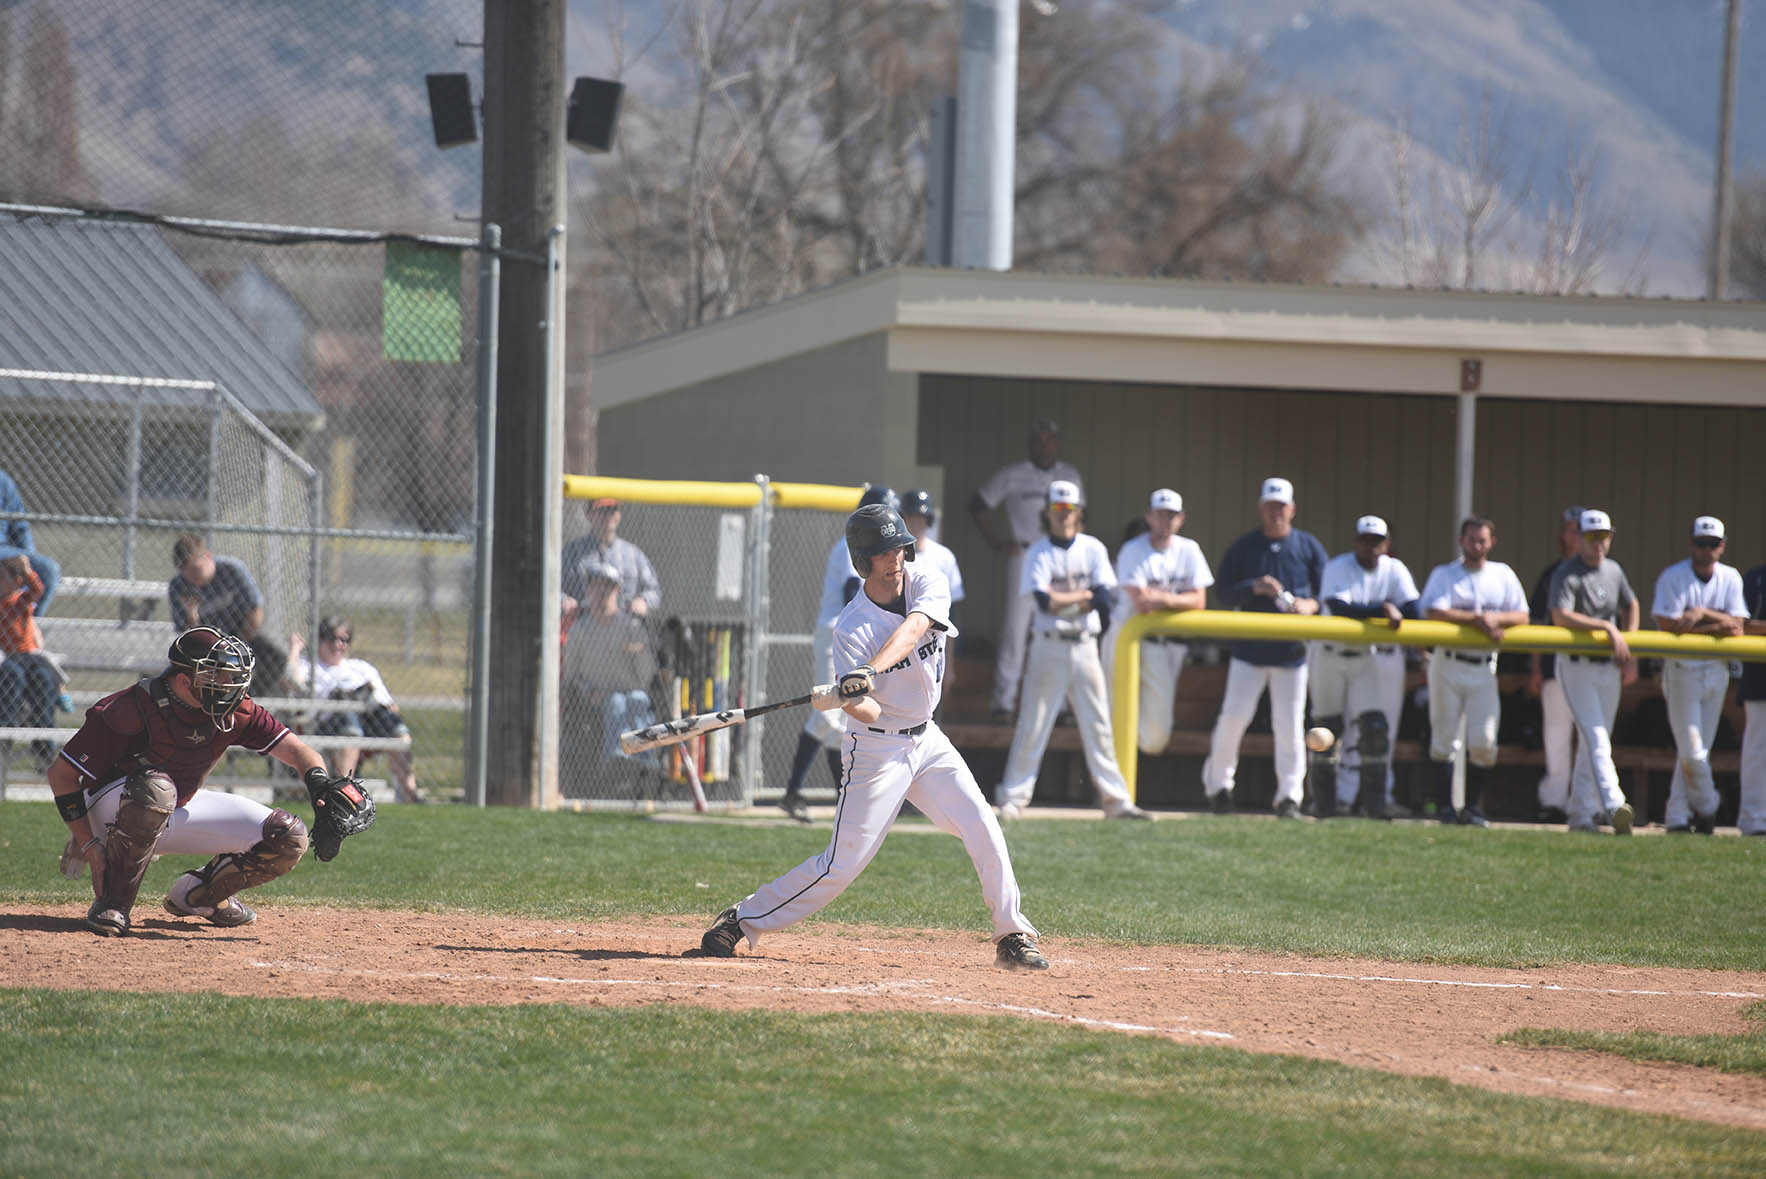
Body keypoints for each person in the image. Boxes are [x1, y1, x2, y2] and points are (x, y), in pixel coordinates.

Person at [700, 502, 1049, 971]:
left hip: (928, 740)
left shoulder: (928, 581)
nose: (896, 559)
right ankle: (742, 919)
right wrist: (846, 699)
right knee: (839, 866)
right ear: (863, 560)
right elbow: (870, 710)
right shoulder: (851, 626)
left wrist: (868, 670)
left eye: (900, 549)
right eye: (884, 552)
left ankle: (1012, 933)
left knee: (983, 826)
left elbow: (917, 626)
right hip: (877, 749)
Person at [47, 626, 366, 936]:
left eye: (231, 675)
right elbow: (62, 775)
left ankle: (198, 896)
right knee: (156, 790)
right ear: (184, 679)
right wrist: (89, 843)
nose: (229, 683)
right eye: (216, 675)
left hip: (173, 804)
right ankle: (111, 902)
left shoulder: (236, 710)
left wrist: (320, 785)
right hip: (114, 812)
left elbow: (299, 751)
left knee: (288, 837)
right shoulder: (131, 708)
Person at [993, 481, 1150, 821]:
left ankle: (1116, 800)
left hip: (1084, 644)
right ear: (1046, 512)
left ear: (1080, 512)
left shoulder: (1092, 548)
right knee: (1033, 724)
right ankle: (1013, 798)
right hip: (1048, 644)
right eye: (1057, 510)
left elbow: (1104, 598)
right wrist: (1083, 599)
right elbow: (1043, 602)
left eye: (1069, 510)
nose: (1063, 516)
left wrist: (1069, 601)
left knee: (1099, 724)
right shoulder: (1036, 551)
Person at [1202, 477, 1329, 819]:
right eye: (1270, 507)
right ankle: (1219, 789)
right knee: (1233, 719)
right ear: (1261, 509)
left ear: (1292, 509)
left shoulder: (1307, 546)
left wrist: (1309, 605)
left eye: (1281, 507)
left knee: (1289, 725)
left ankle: (1289, 797)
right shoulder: (1245, 547)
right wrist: (1254, 587)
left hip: (1291, 653)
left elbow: (1325, 592)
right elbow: (1223, 592)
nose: (1276, 513)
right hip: (1249, 651)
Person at [777, 485, 899, 823]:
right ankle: (792, 792)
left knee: (841, 720)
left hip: (846, 633)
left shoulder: (869, 545)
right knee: (830, 714)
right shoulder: (856, 544)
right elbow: (852, 590)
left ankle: (841, 797)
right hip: (837, 634)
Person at [1418, 516, 1530, 827]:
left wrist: (1496, 620)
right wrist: (1476, 620)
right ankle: (1445, 809)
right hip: (1448, 662)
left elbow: (1522, 615)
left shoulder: (1502, 574)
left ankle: (1472, 808)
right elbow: (1434, 610)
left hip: (1484, 666)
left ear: (1491, 542)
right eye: (1471, 539)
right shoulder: (1445, 573)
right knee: (1444, 738)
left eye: (1482, 540)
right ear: (1461, 540)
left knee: (1484, 740)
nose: (1476, 545)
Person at [969, 420, 1084, 719]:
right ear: (1030, 443)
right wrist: (997, 543)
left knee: (1059, 628)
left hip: (1060, 557)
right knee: (1015, 631)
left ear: (1057, 443)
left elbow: (1081, 515)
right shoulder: (1014, 474)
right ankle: (1004, 702)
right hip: (1024, 553)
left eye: (1050, 440)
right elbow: (978, 503)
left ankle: (1059, 706)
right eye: (1039, 440)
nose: (1045, 446)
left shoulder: (1069, 475)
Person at [1310, 516, 1419, 818]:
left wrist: (1388, 611)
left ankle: (1374, 805)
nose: (1370, 547)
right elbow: (1339, 607)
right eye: (1365, 540)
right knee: (1326, 731)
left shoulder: (1393, 569)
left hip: (1364, 656)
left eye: (1377, 541)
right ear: (1356, 542)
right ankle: (1326, 807)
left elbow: (1413, 608)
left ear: (1386, 544)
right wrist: (1382, 610)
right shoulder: (1338, 566)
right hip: (1330, 654)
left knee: (1374, 728)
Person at [1549, 508, 1643, 835]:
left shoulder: (1614, 570)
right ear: (1579, 538)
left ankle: (1580, 814)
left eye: (1603, 536)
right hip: (1576, 665)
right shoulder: (1567, 572)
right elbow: (1560, 615)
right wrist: (1606, 626)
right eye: (1591, 537)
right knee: (1597, 737)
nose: (1598, 543)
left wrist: (1627, 642)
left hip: (1608, 667)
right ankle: (1614, 804)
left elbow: (1631, 604)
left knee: (1595, 742)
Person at [1650, 516, 1746, 834]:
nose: (1706, 551)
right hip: (1682, 670)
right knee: (1691, 749)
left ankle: (1678, 815)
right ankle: (1709, 806)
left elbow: (1738, 626)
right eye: (1701, 544)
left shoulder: (1730, 578)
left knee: (1697, 750)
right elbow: (1670, 624)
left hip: (1716, 670)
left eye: (1713, 544)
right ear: (1691, 544)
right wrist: (1719, 625)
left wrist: (1702, 615)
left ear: (1722, 547)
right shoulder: (1673, 576)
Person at [1109, 488, 1212, 758]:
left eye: (1171, 515)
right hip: (1124, 638)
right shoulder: (1133, 549)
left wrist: (1162, 598)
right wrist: (1179, 599)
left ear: (1181, 519)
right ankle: (1113, 792)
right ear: (1149, 517)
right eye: (1160, 515)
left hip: (1158, 642)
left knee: (1156, 736)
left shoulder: (1189, 549)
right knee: (1114, 715)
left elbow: (1200, 601)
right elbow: (1142, 603)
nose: (1165, 521)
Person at [286, 616, 425, 805]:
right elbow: (291, 681)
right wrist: (295, 650)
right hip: (328, 724)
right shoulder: (309, 666)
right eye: (332, 638)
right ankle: (345, 796)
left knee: (398, 731)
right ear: (320, 639)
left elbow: (387, 703)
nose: (338, 645)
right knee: (349, 722)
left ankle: (410, 795)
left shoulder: (361, 668)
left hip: (368, 720)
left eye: (344, 640)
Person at [560, 562, 658, 770]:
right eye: (596, 585)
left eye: (609, 586)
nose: (602, 591)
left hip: (631, 692)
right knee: (615, 703)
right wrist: (588, 692)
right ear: (588, 590)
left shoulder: (631, 627)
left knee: (637, 700)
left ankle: (646, 764)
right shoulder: (579, 629)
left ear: (617, 590)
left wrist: (639, 653)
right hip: (595, 695)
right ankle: (615, 763)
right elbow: (571, 674)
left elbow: (645, 679)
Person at [167, 534, 287, 695]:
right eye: (186, 572)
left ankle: (250, 697)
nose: (192, 577)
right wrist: (192, 617)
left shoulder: (232, 570)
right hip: (208, 647)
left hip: (244, 637)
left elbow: (255, 611)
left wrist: (236, 648)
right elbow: (187, 637)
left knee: (277, 652)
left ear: (208, 557)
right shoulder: (178, 586)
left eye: (196, 569)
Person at [1527, 506, 1585, 824]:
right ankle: (1554, 801)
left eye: (1581, 529)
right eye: (1570, 529)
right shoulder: (1551, 574)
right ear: (1562, 534)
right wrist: (1536, 668)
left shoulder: (1604, 571)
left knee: (1591, 736)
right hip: (1554, 664)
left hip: (1592, 666)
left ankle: (1587, 803)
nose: (1575, 536)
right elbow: (1536, 623)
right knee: (1557, 735)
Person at [560, 497, 662, 631]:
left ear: (619, 515)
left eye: (613, 510)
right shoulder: (572, 551)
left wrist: (643, 601)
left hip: (624, 631)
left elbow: (654, 591)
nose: (608, 516)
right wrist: (564, 600)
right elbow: (550, 589)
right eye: (602, 510)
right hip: (581, 629)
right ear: (588, 514)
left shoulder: (633, 554)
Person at [901, 489, 964, 702]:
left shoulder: (943, 557)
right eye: (911, 517)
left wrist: (950, 666)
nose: (917, 522)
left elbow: (951, 616)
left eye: (921, 517)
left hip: (932, 645)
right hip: (899, 639)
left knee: (929, 712)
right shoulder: (893, 556)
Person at [0, 554, 61, 768]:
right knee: (12, 676)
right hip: (9, 657)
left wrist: (26, 570)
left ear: (17, 582)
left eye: (3, 578)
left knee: (44, 678)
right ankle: (5, 736)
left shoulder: (21, 600)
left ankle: (44, 747)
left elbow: (37, 590)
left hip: (29, 656)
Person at [0, 466, 61, 616]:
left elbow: (20, 528)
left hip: (3, 552)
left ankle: (23, 631)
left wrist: (26, 560)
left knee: (48, 570)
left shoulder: (3, 481)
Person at [1739, 560, 1766, 837]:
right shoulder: (1756, 578)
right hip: (1760, 674)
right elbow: (1741, 624)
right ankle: (1754, 819)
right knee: (1758, 750)